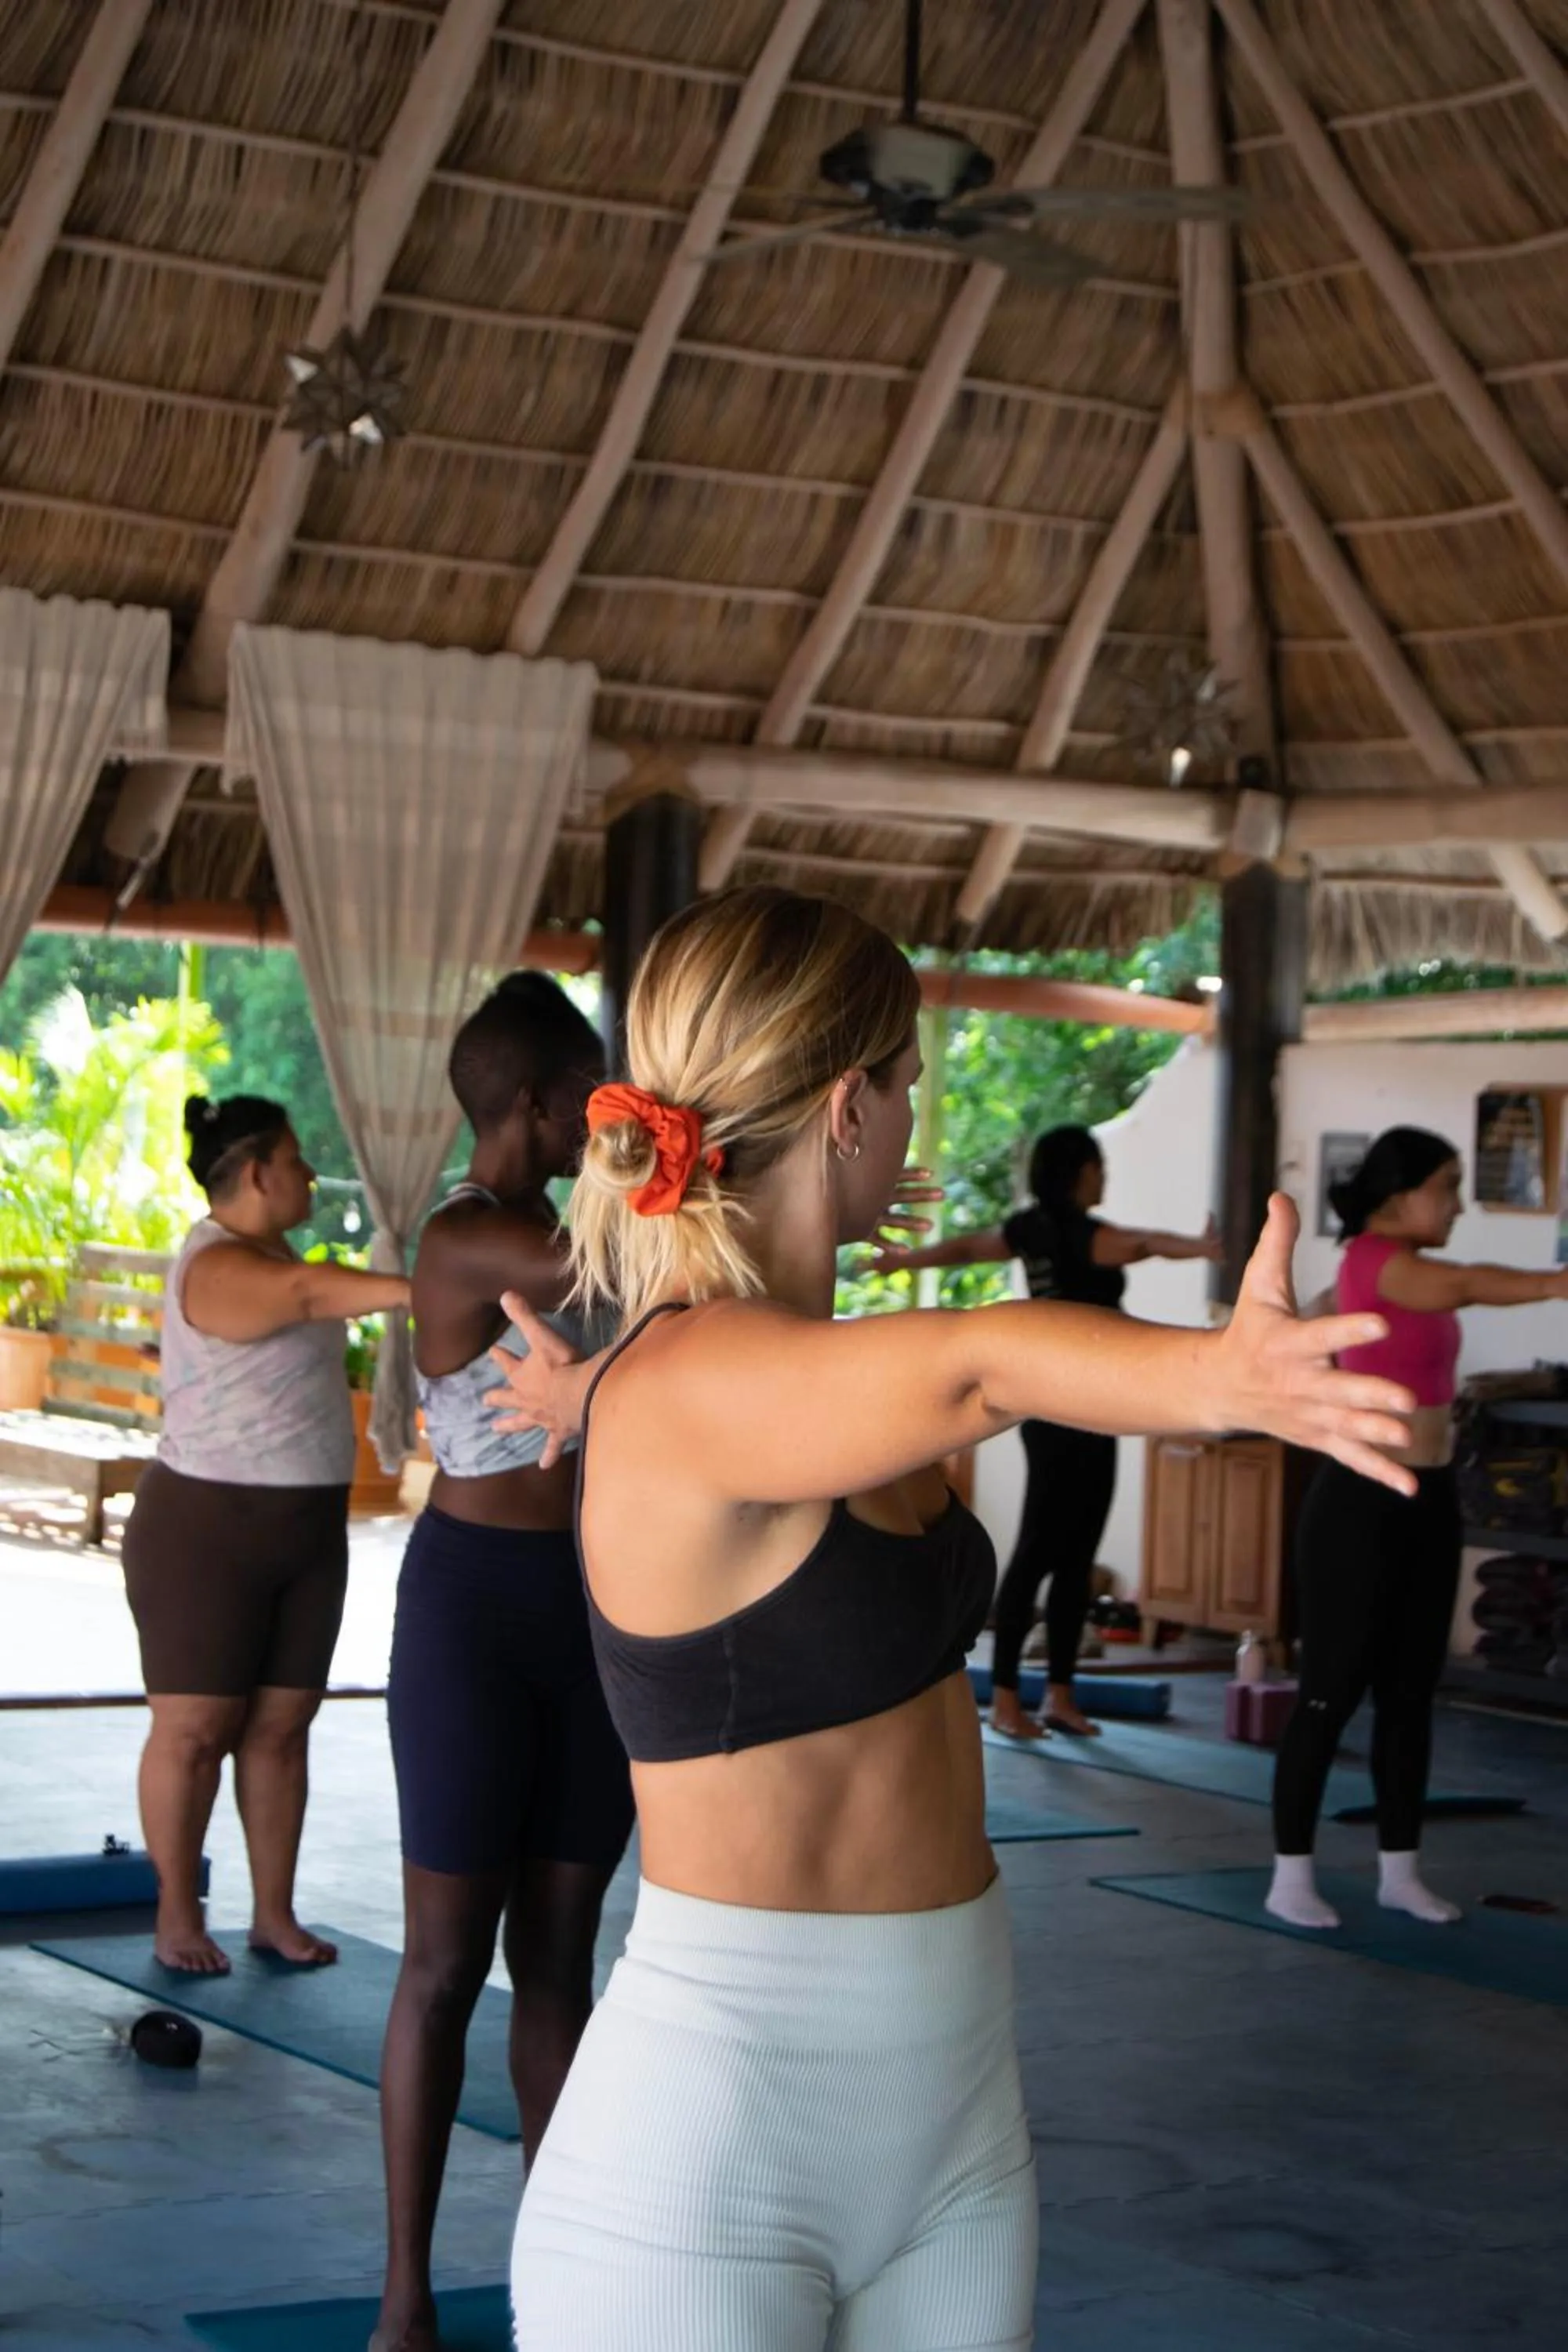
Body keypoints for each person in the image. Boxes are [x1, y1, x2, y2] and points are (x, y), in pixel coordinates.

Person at [481, 885, 1411, 2351]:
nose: (916, 1118)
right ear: (850, 1105)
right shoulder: (685, 1385)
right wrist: (1216, 1382)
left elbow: (812, 1390)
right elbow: (979, 1368)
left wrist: (587, 1388)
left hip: (956, 2128)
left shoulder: (752, 1386)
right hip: (712, 2158)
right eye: (908, 1086)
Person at [374, 975, 633, 2352]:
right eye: (589, 1097)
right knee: (438, 1968)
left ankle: (562, 2280)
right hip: (472, 1616)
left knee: (561, 1960)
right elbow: (618, 1278)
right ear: (537, 1105)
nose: (605, 1123)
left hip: (589, 1616)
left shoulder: (566, 1220)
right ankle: (405, 2299)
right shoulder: (466, 1240)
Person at [122, 1095, 410, 1975]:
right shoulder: (216, 1266)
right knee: (197, 1727)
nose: (310, 1174)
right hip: (206, 1532)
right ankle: (177, 1913)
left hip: (307, 1528)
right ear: (255, 1173)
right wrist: (430, 1287)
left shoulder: (272, 1252)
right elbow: (308, 1293)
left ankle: (272, 1915)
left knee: (283, 1726)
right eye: (297, 1159)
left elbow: (307, 1281)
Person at [1269, 1124, 1568, 1932]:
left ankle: (1398, 1873)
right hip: (1356, 1504)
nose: (1457, 1201)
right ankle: (1288, 1876)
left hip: (1425, 1496)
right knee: (1329, 1692)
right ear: (1400, 1194)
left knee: (1410, 1693)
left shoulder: (1374, 1273)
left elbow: (1329, 1317)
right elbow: (1465, 1282)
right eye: (1446, 1183)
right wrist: (1555, 1283)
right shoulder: (1378, 1258)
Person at [871, 1125, 1221, 1737]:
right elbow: (1142, 1243)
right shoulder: (1088, 1236)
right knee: (1043, 1549)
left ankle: (1058, 1695)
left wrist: (906, 1260)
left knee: (1069, 1553)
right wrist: (1198, 1245)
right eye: (1097, 1166)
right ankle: (1008, 1700)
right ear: (1076, 1172)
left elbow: (967, 1250)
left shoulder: (1028, 1231)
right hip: (1079, 1406)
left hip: (1072, 1406)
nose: (1104, 1176)